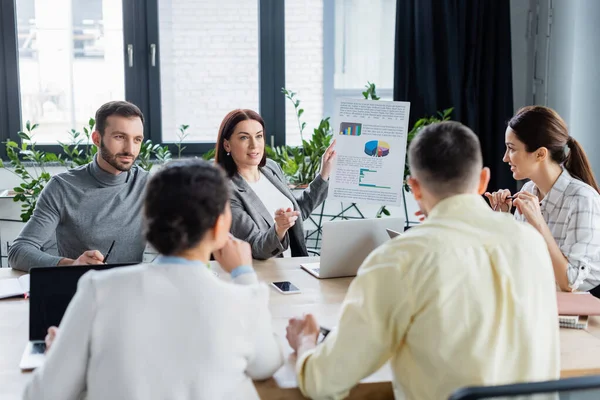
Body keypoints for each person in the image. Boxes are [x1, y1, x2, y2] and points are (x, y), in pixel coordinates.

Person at [285, 121, 559, 400]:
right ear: (483, 180)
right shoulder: (531, 243)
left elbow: (324, 383)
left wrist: (306, 342)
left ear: (415, 188)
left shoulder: (400, 259)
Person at [23, 159, 284, 400]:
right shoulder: (240, 301)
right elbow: (268, 363)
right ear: (219, 227)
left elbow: (42, 395)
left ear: (147, 220)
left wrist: (60, 356)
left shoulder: (98, 289)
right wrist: (244, 275)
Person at [8, 101, 150, 272]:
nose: (130, 149)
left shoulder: (151, 185)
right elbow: (18, 251)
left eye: (137, 140)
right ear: (97, 139)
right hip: (78, 290)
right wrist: (72, 265)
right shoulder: (62, 188)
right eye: (119, 137)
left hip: (133, 290)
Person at [485, 106, 600, 292]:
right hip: (542, 296)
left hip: (585, 306)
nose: (505, 158)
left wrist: (539, 224)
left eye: (511, 149)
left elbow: (569, 283)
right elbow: (516, 263)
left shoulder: (582, 200)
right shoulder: (529, 190)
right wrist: (504, 217)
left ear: (540, 154)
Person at [215, 109, 335, 259]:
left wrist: (324, 174)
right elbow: (256, 247)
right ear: (227, 145)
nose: (254, 145)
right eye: (244, 138)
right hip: (266, 275)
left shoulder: (270, 168)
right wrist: (279, 229)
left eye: (259, 136)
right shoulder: (225, 191)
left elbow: (297, 214)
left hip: (294, 266)